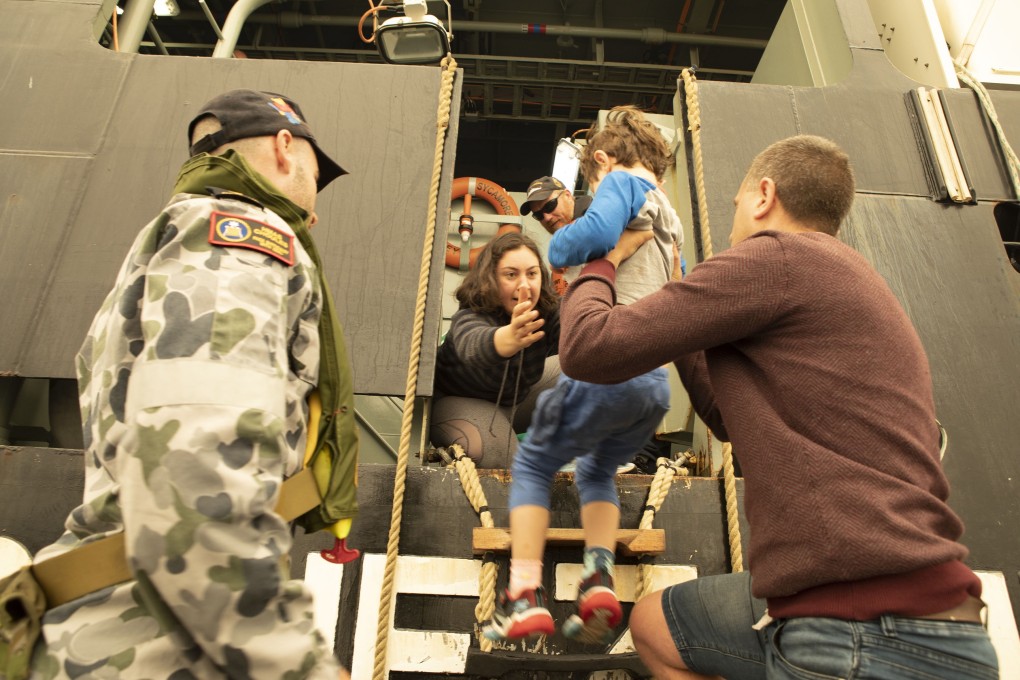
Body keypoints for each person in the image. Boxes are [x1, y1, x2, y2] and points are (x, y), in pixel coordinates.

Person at [558, 135, 999, 678]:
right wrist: (677, 291)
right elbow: (725, 417)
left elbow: (588, 348)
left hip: (858, 628)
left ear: (764, 195)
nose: (734, 222)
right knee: (654, 624)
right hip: (939, 612)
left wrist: (603, 257)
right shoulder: (848, 276)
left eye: (738, 204)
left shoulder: (777, 259)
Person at [29, 90, 356, 679]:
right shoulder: (243, 236)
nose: (316, 200)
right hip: (157, 643)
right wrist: (295, 666)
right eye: (315, 170)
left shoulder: (172, 244)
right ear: (286, 147)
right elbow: (195, 477)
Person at [483, 106, 681, 644]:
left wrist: (561, 250)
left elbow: (582, 238)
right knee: (596, 472)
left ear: (599, 161)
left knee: (532, 464)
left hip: (606, 363)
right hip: (651, 384)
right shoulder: (671, 220)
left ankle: (523, 594)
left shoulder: (619, 183)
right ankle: (597, 582)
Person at [431, 232, 561, 469]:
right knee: (502, 459)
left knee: (583, 365)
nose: (524, 284)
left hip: (518, 402)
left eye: (532, 274)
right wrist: (509, 338)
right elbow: (472, 343)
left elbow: (585, 333)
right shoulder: (470, 315)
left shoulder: (546, 312)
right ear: (490, 278)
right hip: (458, 403)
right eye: (511, 274)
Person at [520, 175, 593, 235]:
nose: (547, 218)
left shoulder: (596, 223)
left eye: (550, 206)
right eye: (538, 215)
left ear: (567, 196)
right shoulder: (567, 239)